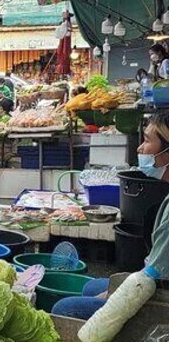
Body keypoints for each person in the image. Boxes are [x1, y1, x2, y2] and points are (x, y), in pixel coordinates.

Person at [53, 111, 169, 319]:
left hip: (160, 299)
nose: (140, 148)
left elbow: (152, 276)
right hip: (156, 282)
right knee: (91, 287)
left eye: (147, 141)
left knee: (64, 308)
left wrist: (112, 297)